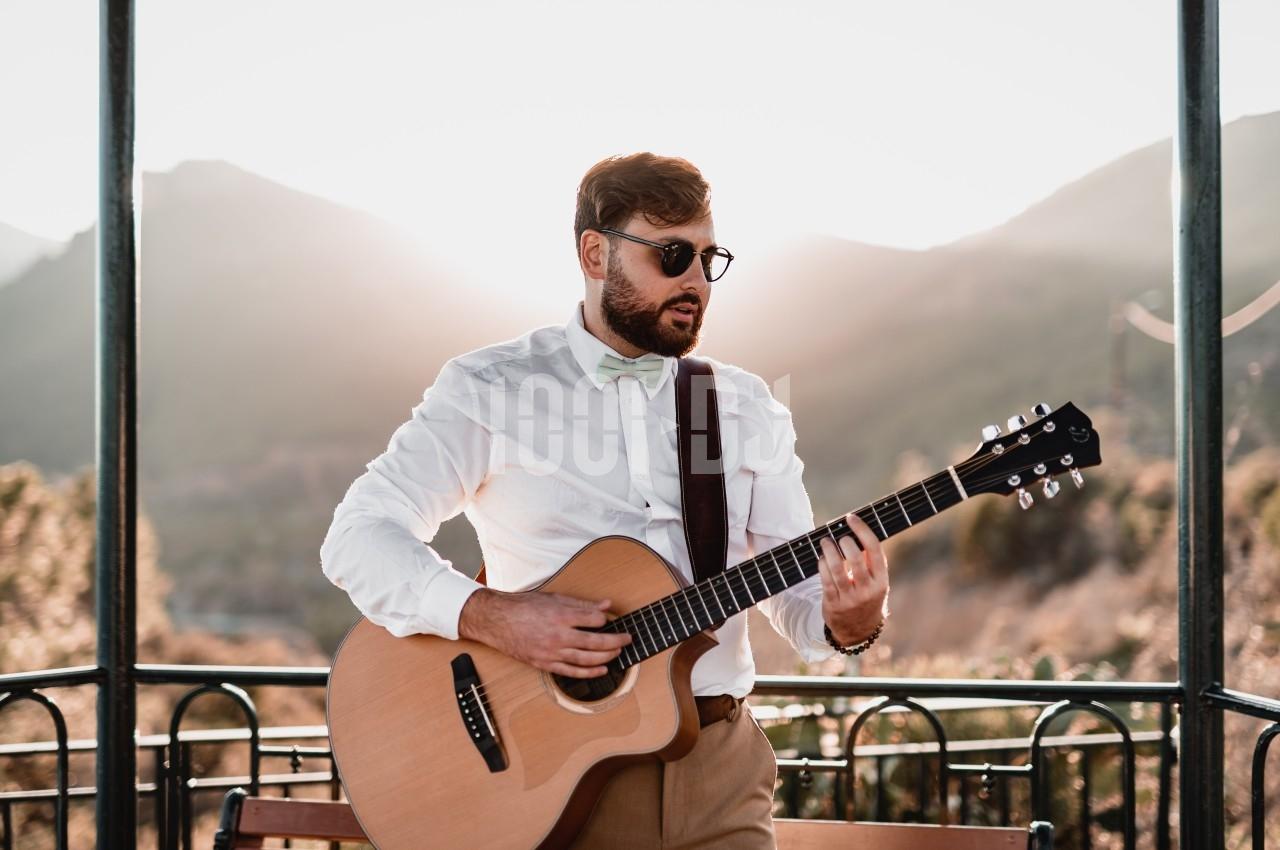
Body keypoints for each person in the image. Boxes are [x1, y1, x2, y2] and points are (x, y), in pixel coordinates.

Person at [320, 152, 890, 849]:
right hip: (548, 780)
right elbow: (358, 534)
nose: (695, 282)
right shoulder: (491, 387)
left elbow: (796, 599)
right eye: (673, 255)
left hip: (721, 772)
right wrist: (490, 617)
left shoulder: (743, 408)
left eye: (709, 260)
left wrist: (848, 620)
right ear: (596, 253)